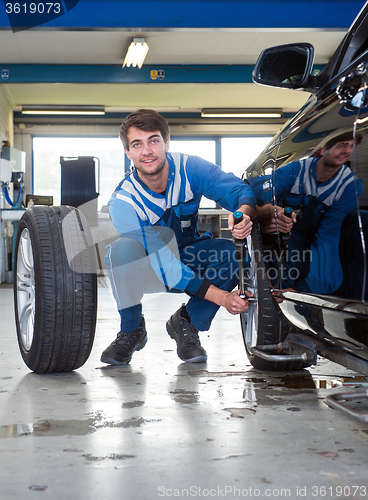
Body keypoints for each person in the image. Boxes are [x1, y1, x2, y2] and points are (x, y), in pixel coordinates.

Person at [101, 109, 256, 366]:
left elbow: (238, 189)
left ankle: (187, 321)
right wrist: (223, 298)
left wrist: (243, 213)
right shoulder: (123, 202)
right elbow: (166, 268)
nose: (147, 151)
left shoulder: (191, 168)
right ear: (128, 153)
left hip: (187, 254)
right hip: (149, 267)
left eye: (153, 140)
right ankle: (131, 329)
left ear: (166, 143)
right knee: (121, 251)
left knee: (231, 253)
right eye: (137, 144)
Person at [249, 131, 363, 295]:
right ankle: (273, 287)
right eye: (341, 145)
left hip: (317, 239)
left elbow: (329, 235)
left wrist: (305, 288)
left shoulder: (349, 186)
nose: (347, 151)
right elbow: (254, 192)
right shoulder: (295, 171)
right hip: (284, 235)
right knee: (281, 250)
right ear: (323, 150)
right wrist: (266, 213)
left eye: (352, 146)